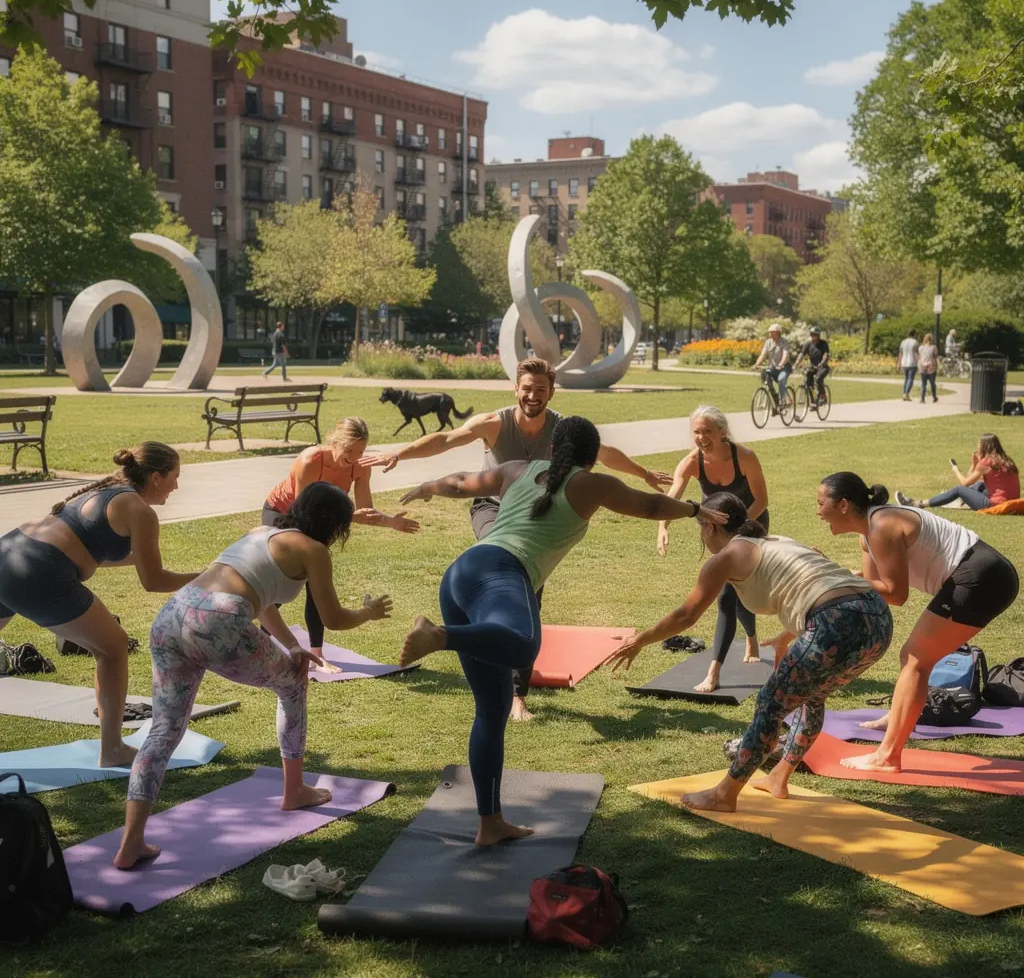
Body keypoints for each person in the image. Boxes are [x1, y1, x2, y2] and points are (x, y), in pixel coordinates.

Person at [395, 416, 724, 844]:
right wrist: (697, 509)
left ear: (553, 448)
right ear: (589, 455)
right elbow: (649, 505)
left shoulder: (517, 469)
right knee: (524, 649)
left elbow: (461, 481)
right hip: (502, 572)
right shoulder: (590, 483)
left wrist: (426, 488)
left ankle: (490, 823)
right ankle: (439, 636)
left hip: (461, 574)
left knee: (492, 712)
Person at [362, 357, 672, 722]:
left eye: (541, 390)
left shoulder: (562, 430)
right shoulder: (494, 423)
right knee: (506, 564)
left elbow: (605, 453)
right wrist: (399, 452)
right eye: (527, 388)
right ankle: (473, 639)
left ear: (551, 392)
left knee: (530, 596)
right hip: (491, 509)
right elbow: (445, 439)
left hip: (535, 515)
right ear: (516, 389)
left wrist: (644, 472)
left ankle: (516, 694)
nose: (533, 395)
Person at [112, 482, 393, 869]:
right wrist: (369, 613)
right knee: (293, 683)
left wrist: (289, 645)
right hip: (220, 620)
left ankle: (131, 843)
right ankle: (294, 790)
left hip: (172, 616)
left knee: (163, 732)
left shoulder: (261, 533)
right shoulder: (315, 551)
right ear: (336, 525)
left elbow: (263, 602)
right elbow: (333, 619)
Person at [607, 491, 893, 811]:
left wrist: (640, 640)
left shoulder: (726, 558)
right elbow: (824, 576)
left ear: (710, 528)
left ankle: (723, 795)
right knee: (810, 694)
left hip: (837, 623)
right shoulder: (778, 539)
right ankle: (779, 777)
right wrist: (789, 635)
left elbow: (685, 616)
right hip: (877, 621)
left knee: (770, 703)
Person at [0, 443, 197, 768]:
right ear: (157, 477)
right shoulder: (140, 511)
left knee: (111, 646)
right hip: (39, 570)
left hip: (8, 552)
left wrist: (147, 563)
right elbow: (155, 581)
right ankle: (112, 750)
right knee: (114, 647)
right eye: (175, 477)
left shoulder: (107, 489)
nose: (176, 486)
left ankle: (113, 748)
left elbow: (87, 548)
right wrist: (209, 576)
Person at [816, 472, 1018, 772]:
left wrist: (840, 581)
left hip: (981, 576)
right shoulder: (868, 532)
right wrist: (835, 578)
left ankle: (887, 757)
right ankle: (896, 717)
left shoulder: (881, 526)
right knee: (912, 657)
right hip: (980, 574)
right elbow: (874, 585)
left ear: (843, 505)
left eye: (821, 503)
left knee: (915, 660)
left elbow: (896, 594)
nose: (817, 512)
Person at [263, 417, 418, 664]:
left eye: (361, 451)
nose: (355, 457)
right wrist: (347, 515)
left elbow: (365, 511)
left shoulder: (360, 466)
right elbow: (304, 512)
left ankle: (317, 654)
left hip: (319, 519)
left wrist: (390, 521)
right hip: (283, 513)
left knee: (316, 582)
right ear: (335, 442)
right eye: (349, 450)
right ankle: (260, 639)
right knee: (285, 578)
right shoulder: (311, 460)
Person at [657, 405, 769, 691]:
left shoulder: (744, 457)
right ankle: (750, 639)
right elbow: (673, 498)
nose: (701, 437)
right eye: (696, 431)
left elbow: (761, 500)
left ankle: (715, 671)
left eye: (707, 431)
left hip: (751, 523)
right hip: (717, 533)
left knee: (731, 593)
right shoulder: (691, 462)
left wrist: (741, 533)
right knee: (731, 593)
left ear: (722, 432)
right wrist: (663, 527)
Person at [896, 434, 1020, 511]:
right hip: (1010, 502)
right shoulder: (1006, 460)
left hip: (994, 505)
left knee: (958, 490)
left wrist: (956, 470)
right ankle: (959, 501)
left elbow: (965, 483)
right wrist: (974, 463)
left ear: (985, 447)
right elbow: (972, 483)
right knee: (979, 485)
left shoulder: (986, 462)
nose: (977, 448)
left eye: (979, 445)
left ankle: (919, 503)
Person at [752, 324, 791, 406]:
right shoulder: (768, 342)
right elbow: (763, 355)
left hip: (784, 367)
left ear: (779, 333)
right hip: (773, 367)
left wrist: (780, 365)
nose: (771, 334)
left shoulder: (784, 342)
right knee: (765, 377)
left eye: (774, 333)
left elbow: (785, 355)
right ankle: (775, 398)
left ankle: (783, 401)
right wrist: (756, 364)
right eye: (771, 333)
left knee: (780, 380)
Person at [792, 326, 830, 403]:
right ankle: (813, 401)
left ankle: (823, 397)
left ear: (818, 335)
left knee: (818, 379)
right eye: (812, 334)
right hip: (813, 367)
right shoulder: (808, 344)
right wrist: (796, 364)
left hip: (823, 367)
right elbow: (801, 354)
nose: (813, 336)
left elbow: (826, 355)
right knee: (808, 382)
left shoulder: (823, 343)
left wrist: (822, 363)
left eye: (815, 334)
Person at [897, 328, 920, 401]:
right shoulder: (915, 342)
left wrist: (898, 363)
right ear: (914, 334)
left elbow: (900, 353)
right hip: (912, 362)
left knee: (906, 379)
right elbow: (916, 354)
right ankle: (906, 394)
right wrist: (919, 363)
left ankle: (905, 394)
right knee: (910, 379)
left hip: (904, 362)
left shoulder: (903, 342)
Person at [918, 333, 938, 403]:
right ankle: (934, 397)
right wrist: (937, 365)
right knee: (932, 383)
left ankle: (922, 399)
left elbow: (920, 357)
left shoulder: (920, 347)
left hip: (922, 366)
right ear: (931, 339)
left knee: (923, 383)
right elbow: (936, 357)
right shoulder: (934, 347)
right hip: (931, 367)